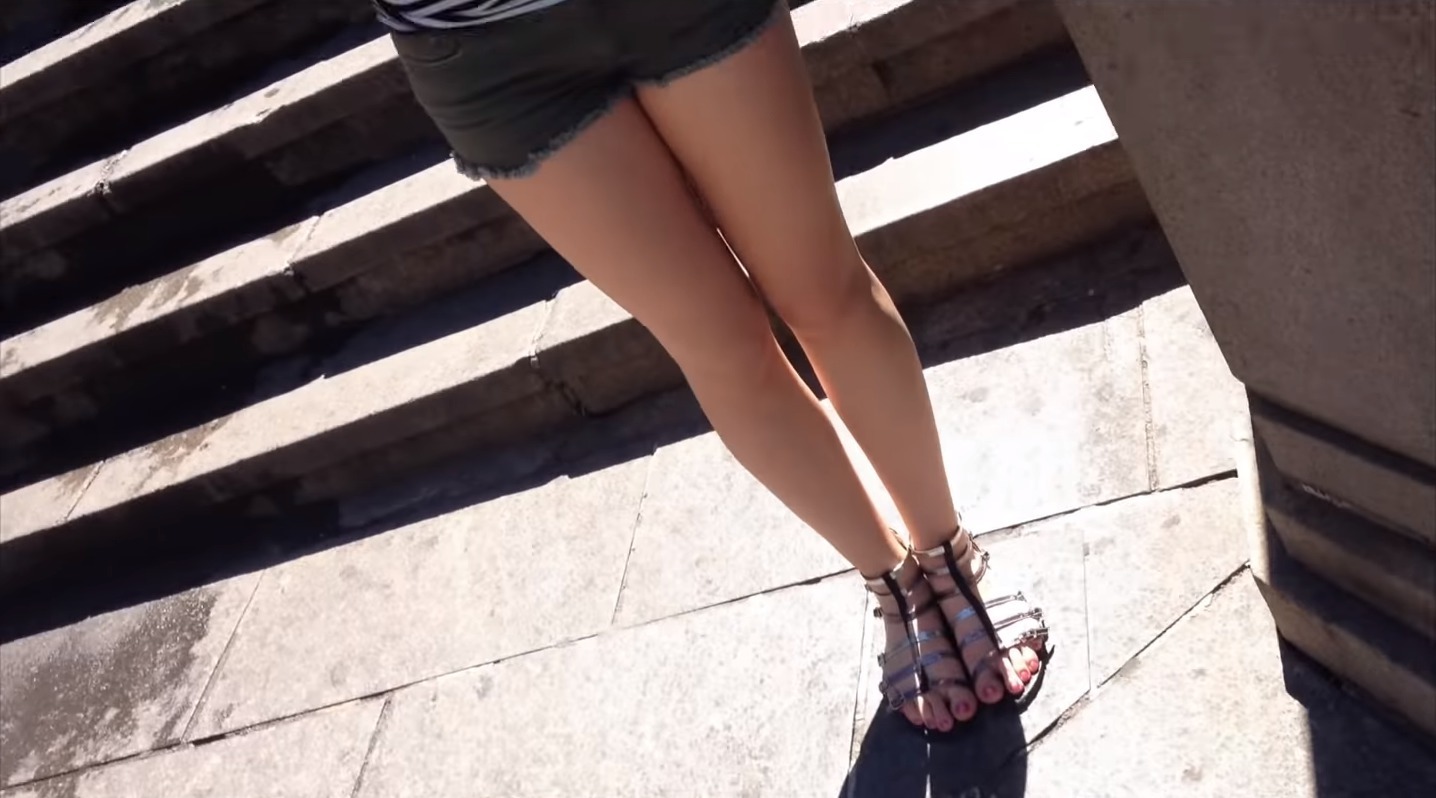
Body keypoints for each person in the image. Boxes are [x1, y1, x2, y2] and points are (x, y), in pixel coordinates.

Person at [378, 0, 1049, 732]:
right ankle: (894, 585)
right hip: (475, 41)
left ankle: (949, 553)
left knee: (824, 290)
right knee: (720, 348)